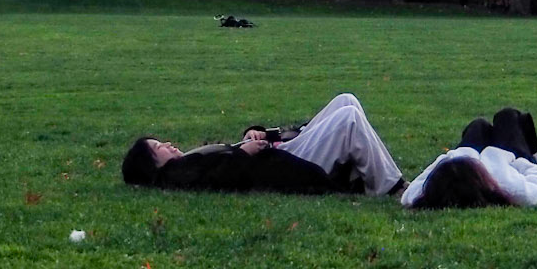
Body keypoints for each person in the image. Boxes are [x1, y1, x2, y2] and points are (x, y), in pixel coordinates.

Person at [121, 92, 404, 196]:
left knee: (346, 101)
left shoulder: (187, 163)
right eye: (158, 148)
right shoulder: (176, 175)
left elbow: (223, 156)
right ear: (153, 166)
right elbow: (218, 178)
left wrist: (252, 134)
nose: (167, 144)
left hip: (282, 151)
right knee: (348, 117)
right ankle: (391, 188)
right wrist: (243, 154)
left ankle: (368, 176)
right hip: (291, 165)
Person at [401, 107, 537, 210]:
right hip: (512, 162)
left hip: (475, 157)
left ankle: (471, 150)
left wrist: (456, 155)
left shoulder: (419, 196)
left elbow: (415, 186)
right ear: (480, 177)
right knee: (508, 117)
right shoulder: (514, 190)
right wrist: (514, 161)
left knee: (478, 126)